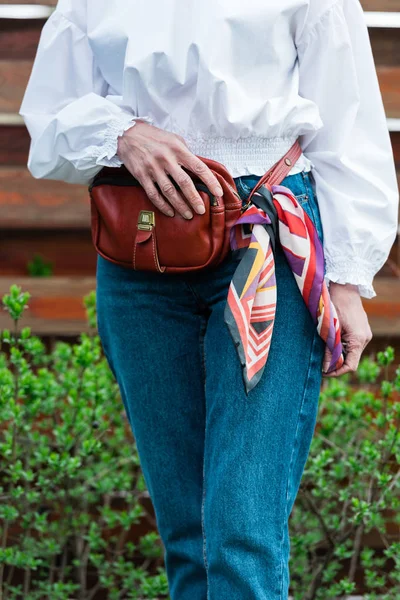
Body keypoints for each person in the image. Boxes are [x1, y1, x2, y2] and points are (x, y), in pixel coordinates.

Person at [19, 0, 399, 598]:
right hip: (141, 247)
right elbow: (50, 114)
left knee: (241, 529)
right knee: (188, 534)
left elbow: (349, 122)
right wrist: (123, 133)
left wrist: (348, 280)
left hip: (266, 238)